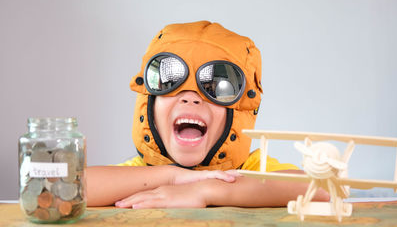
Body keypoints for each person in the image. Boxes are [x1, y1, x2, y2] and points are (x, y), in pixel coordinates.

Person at [86, 21, 329, 208]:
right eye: (170, 81)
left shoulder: (250, 171)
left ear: (240, 109)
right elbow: (64, 188)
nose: (191, 97)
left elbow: (325, 187)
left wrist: (206, 191)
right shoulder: (141, 172)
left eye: (217, 87)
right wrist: (171, 178)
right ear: (148, 102)